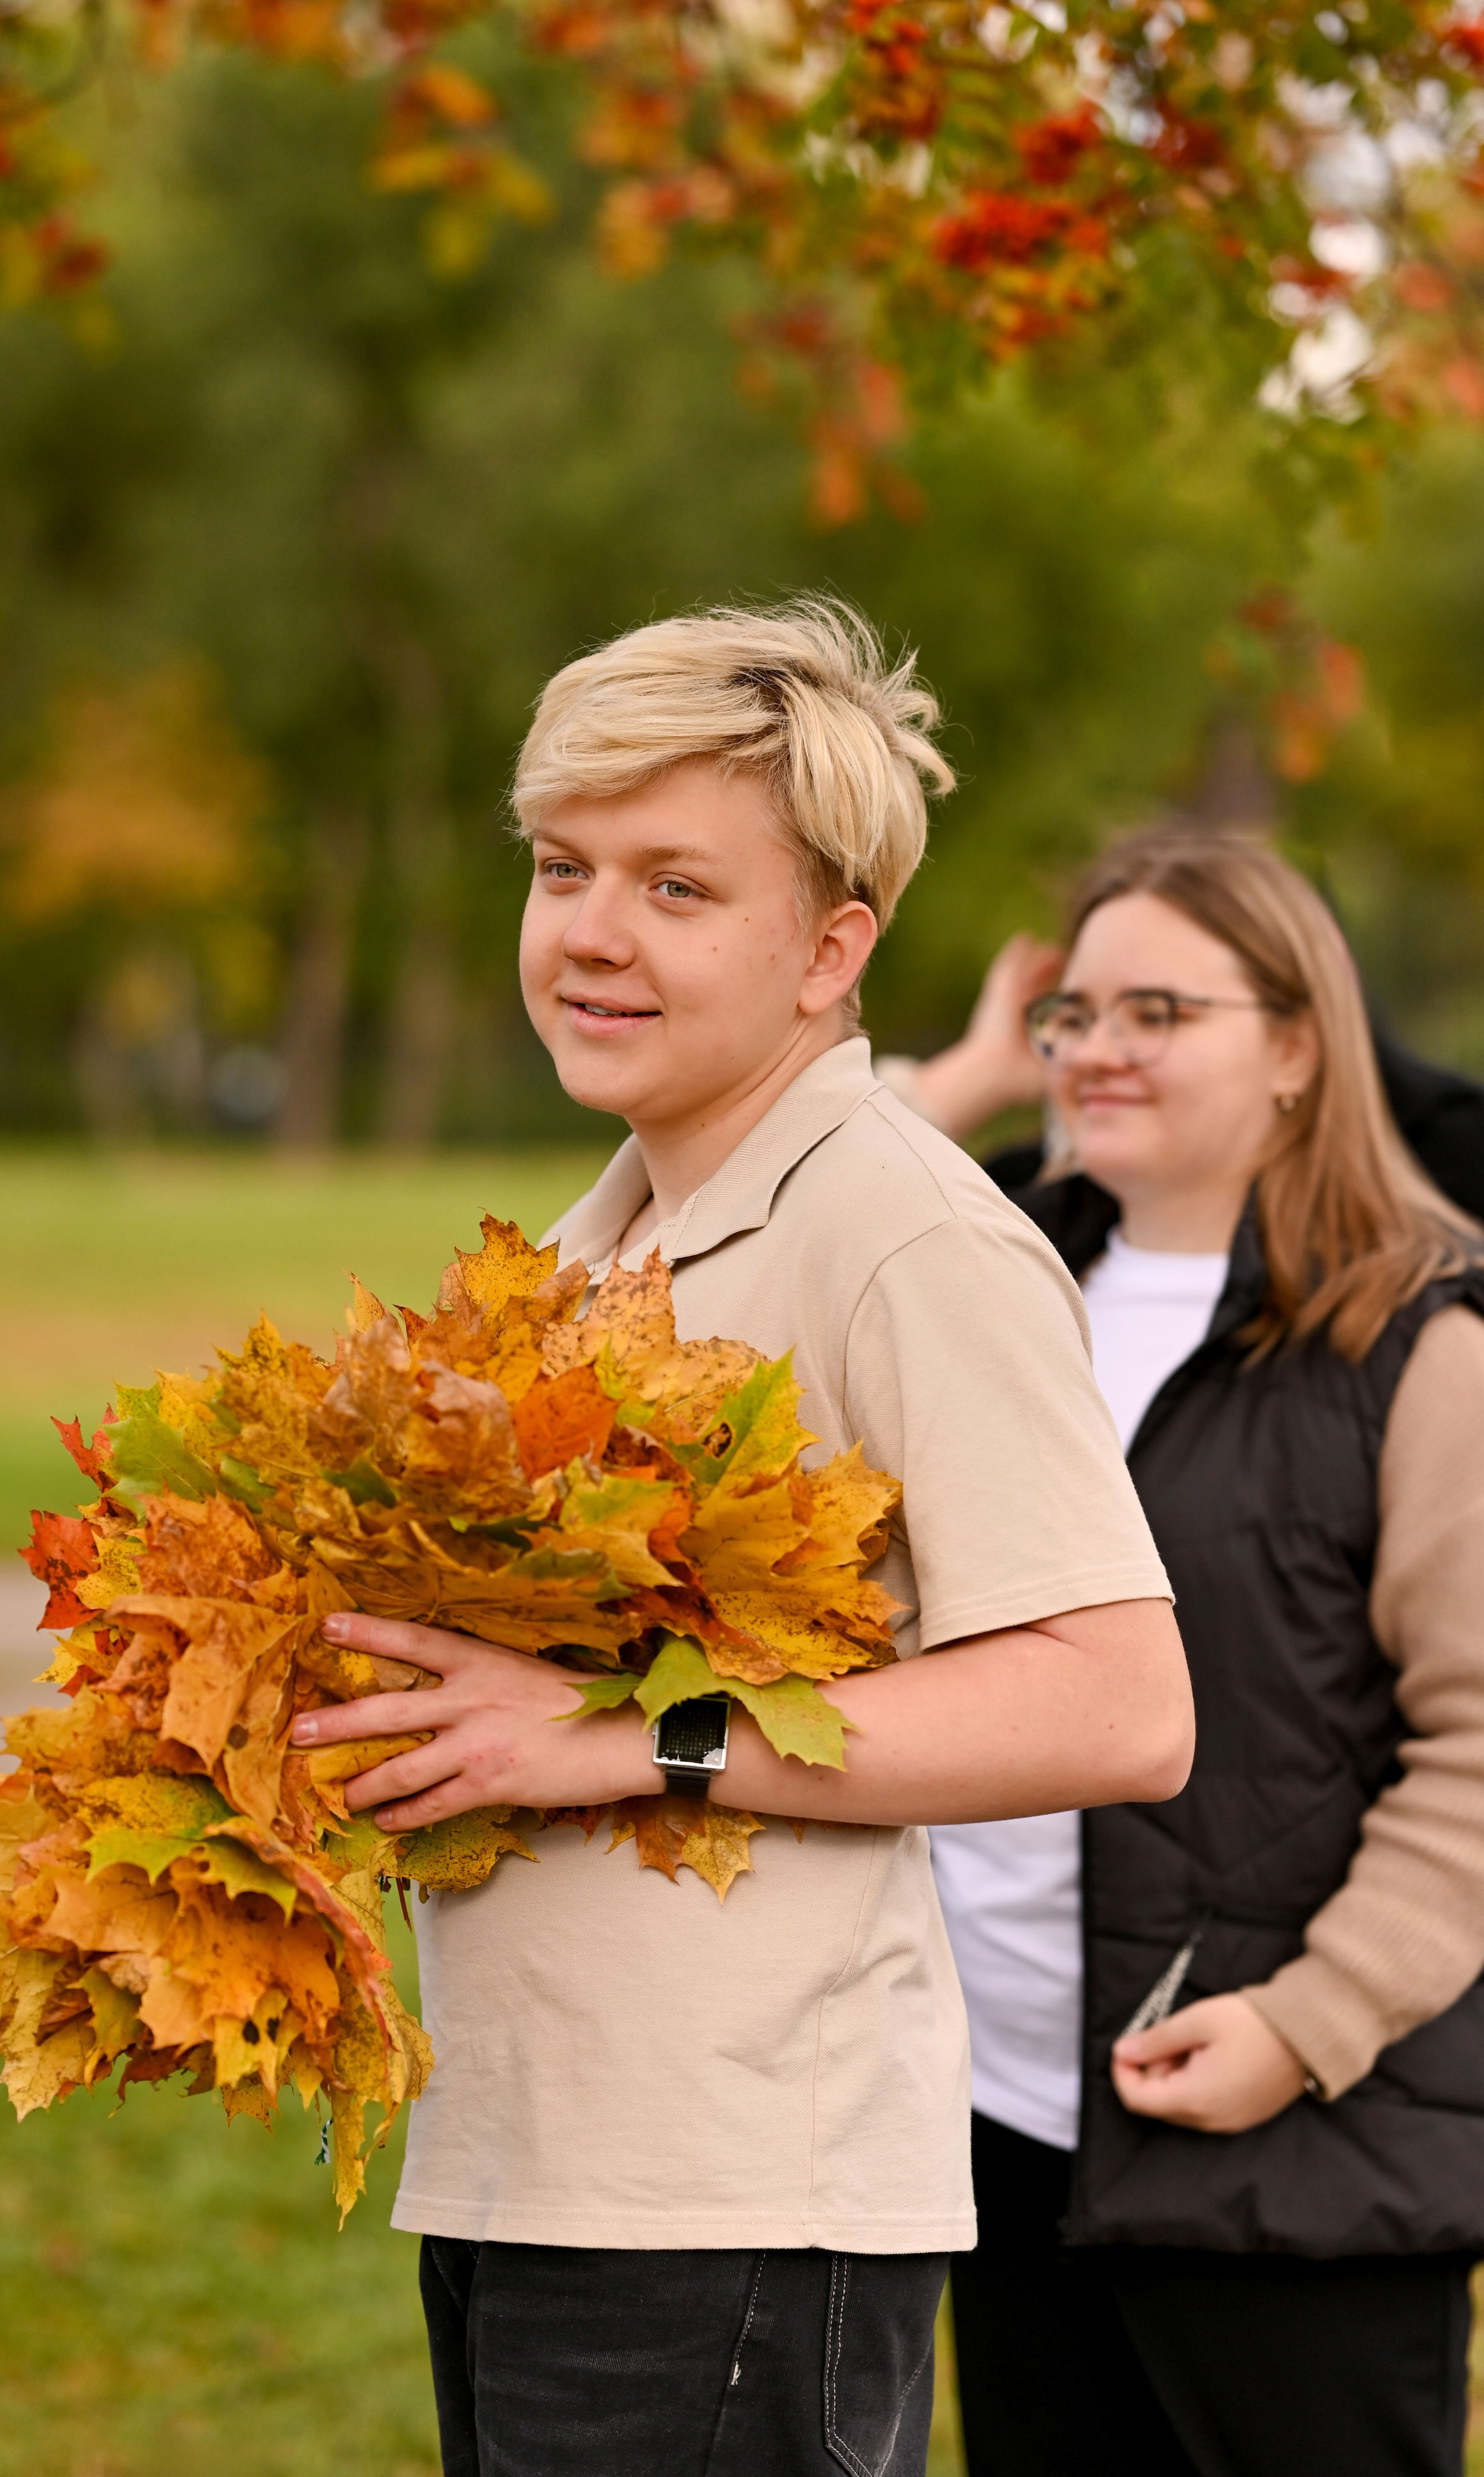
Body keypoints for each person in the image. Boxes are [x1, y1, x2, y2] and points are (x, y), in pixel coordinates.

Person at [289, 600, 1193, 2477]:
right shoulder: (592, 1239)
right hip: (533, 2160)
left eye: (678, 887)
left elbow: (1120, 1707)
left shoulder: (906, 1235)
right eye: (564, 869)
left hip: (732, 2199)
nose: (593, 933)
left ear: (831, 947)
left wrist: (626, 1739)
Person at [882, 830, 1484, 2477]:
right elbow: (769, 1246)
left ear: (1295, 1044)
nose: (1097, 1049)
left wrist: (1306, 2022)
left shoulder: (1421, 1341)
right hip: (998, 2121)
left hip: (1290, 2138)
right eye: (1074, 1013)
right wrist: (967, 1079)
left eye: (1158, 1008)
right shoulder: (995, 1283)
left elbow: (1476, 1749)